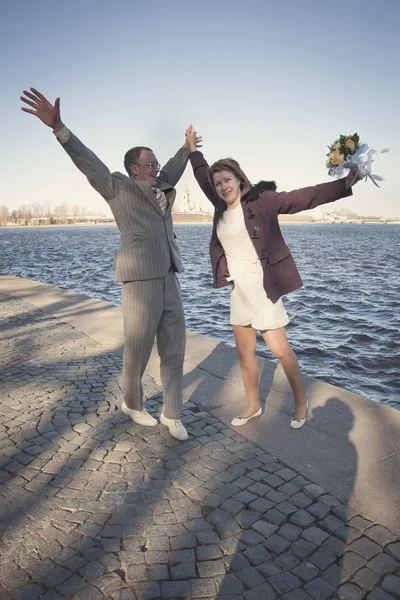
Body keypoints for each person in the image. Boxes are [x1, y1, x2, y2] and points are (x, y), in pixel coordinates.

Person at [21, 88, 201, 441]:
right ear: (134, 168)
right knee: (137, 349)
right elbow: (88, 162)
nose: (157, 168)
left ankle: (172, 412)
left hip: (169, 277)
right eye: (151, 164)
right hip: (139, 282)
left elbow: (175, 169)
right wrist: (59, 128)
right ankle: (132, 403)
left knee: (175, 348)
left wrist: (187, 147)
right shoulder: (118, 186)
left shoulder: (161, 185)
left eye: (157, 164)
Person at [185, 127, 360, 429]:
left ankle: (301, 400)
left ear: (239, 179)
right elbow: (202, 173)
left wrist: (344, 184)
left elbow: (306, 197)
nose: (222, 186)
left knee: (281, 351)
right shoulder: (219, 207)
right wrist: (191, 149)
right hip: (239, 289)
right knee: (244, 352)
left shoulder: (262, 201)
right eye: (217, 183)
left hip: (262, 287)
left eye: (227, 179)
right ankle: (253, 406)